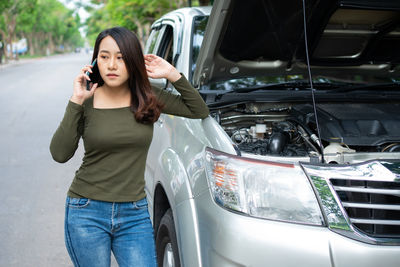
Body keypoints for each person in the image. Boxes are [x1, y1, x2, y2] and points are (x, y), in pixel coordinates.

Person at [50, 26, 209, 267]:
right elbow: (59, 154)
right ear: (95, 61)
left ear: (133, 61)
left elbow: (199, 110)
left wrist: (172, 74)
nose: (111, 65)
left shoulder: (148, 96)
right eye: (104, 57)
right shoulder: (85, 100)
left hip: (134, 214)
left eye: (121, 58)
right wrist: (76, 101)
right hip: (86, 211)